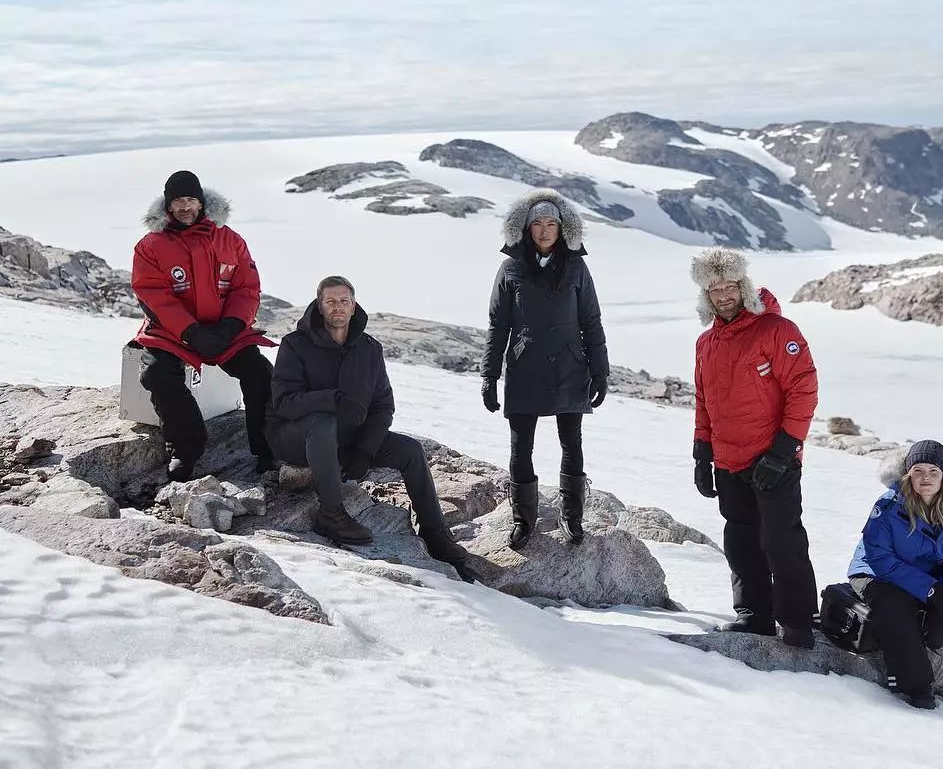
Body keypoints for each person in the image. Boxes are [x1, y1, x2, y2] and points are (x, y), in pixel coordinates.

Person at [267, 275, 468, 566]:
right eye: (330, 301)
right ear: (319, 306)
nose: (337, 307)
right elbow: (284, 403)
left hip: (346, 439)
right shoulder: (295, 344)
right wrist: (330, 399)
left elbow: (382, 406)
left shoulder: (370, 349)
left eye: (344, 301)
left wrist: (365, 450)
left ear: (353, 306)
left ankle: (434, 532)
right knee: (322, 422)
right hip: (296, 439)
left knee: (410, 450)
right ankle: (330, 514)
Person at [690, 248, 819, 648]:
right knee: (741, 540)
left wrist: (784, 450)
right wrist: (702, 452)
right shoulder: (706, 343)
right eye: (715, 290)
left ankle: (798, 620)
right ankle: (754, 615)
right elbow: (704, 400)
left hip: (773, 459)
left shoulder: (777, 330)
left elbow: (804, 388)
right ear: (706, 295)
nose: (723, 295)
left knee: (782, 539)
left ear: (743, 286)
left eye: (730, 287)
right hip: (728, 461)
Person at [481, 189, 609, 549]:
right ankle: (523, 520)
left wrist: (600, 371)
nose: (544, 230)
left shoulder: (577, 267)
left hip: (570, 367)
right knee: (521, 448)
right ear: (526, 227)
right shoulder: (511, 268)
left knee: (572, 442)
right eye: (537, 223)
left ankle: (572, 517)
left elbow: (591, 320)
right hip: (525, 369)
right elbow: (498, 325)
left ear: (562, 228)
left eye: (551, 223)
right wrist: (489, 376)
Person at [132, 170, 276, 481]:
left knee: (260, 373)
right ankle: (186, 448)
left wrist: (231, 326)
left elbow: (246, 288)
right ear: (168, 206)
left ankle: (268, 448)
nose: (185, 207)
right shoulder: (151, 245)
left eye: (190, 200)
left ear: (201, 202)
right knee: (157, 374)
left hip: (225, 331)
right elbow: (152, 294)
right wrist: (190, 331)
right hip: (174, 333)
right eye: (178, 201)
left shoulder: (230, 240)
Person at [848, 439, 943, 714]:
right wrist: (932, 593)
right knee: (895, 607)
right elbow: (880, 559)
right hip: (879, 573)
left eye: (933, 471)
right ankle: (915, 685)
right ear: (908, 474)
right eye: (918, 471)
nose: (925, 477)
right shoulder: (889, 507)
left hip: (933, 577)